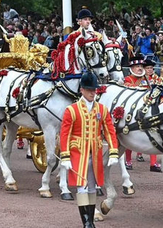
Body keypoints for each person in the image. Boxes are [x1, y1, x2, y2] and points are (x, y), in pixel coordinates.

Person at [60, 72, 119, 227]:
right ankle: (86, 222)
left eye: (94, 90)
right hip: (78, 152)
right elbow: (65, 134)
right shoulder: (71, 110)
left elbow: (109, 131)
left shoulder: (102, 109)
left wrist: (113, 151)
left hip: (96, 152)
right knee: (81, 186)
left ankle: (90, 221)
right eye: (90, 90)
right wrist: (65, 156)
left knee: (92, 186)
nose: (93, 92)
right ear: (82, 90)